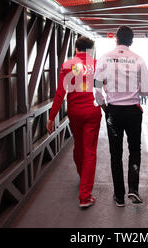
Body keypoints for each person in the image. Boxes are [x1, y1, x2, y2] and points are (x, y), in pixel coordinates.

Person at [94, 26, 148, 207]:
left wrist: (104, 106)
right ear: (132, 41)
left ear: (116, 39)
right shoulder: (139, 60)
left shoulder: (104, 58)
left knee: (115, 153)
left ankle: (119, 196)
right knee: (135, 150)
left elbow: (96, 87)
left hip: (113, 112)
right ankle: (133, 189)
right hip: (133, 111)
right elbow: (146, 90)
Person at [46, 36, 102, 209]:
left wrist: (51, 117)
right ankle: (85, 196)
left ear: (76, 49)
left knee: (79, 146)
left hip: (75, 112)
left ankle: (82, 175)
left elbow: (60, 93)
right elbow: (101, 90)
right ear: (90, 50)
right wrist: (107, 109)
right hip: (92, 111)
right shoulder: (97, 64)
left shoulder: (67, 65)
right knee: (90, 151)